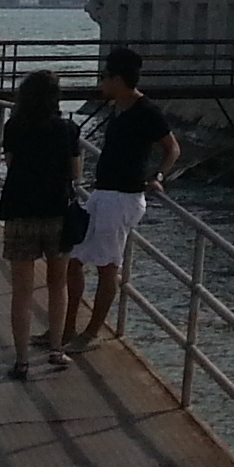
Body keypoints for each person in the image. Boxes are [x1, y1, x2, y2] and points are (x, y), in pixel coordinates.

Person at [63, 46, 178, 354]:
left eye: (105, 77)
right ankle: (67, 327)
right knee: (74, 260)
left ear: (118, 78)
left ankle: (91, 332)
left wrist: (158, 177)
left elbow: (172, 149)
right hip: (103, 192)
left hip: (124, 196)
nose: (101, 83)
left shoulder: (146, 110)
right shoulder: (118, 107)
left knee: (107, 266)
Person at [0, 71, 83, 376]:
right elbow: (75, 173)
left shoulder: (14, 126)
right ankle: (56, 349)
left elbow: (10, 163)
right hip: (57, 210)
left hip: (20, 210)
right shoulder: (67, 129)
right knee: (58, 285)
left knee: (22, 290)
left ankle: (21, 359)